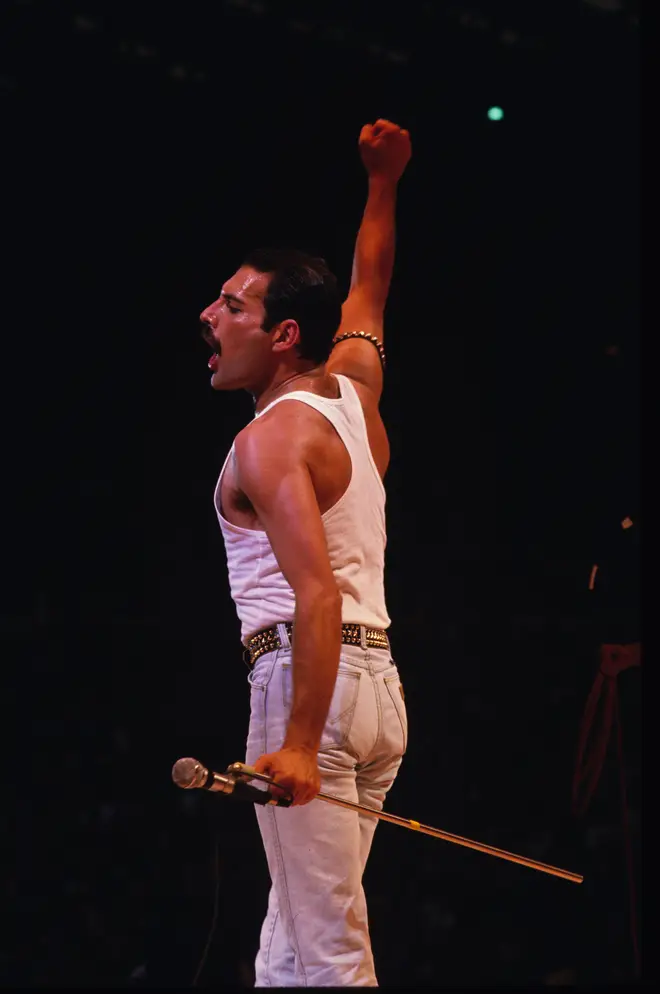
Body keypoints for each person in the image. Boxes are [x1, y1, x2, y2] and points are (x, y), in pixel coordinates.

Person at [200, 119, 412, 987]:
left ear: (284, 334)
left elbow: (312, 594)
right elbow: (371, 280)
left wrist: (292, 741)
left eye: (234, 307)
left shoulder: (271, 442)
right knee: (289, 939)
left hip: (308, 685)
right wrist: (383, 182)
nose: (210, 316)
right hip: (380, 698)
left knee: (325, 952)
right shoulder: (355, 391)